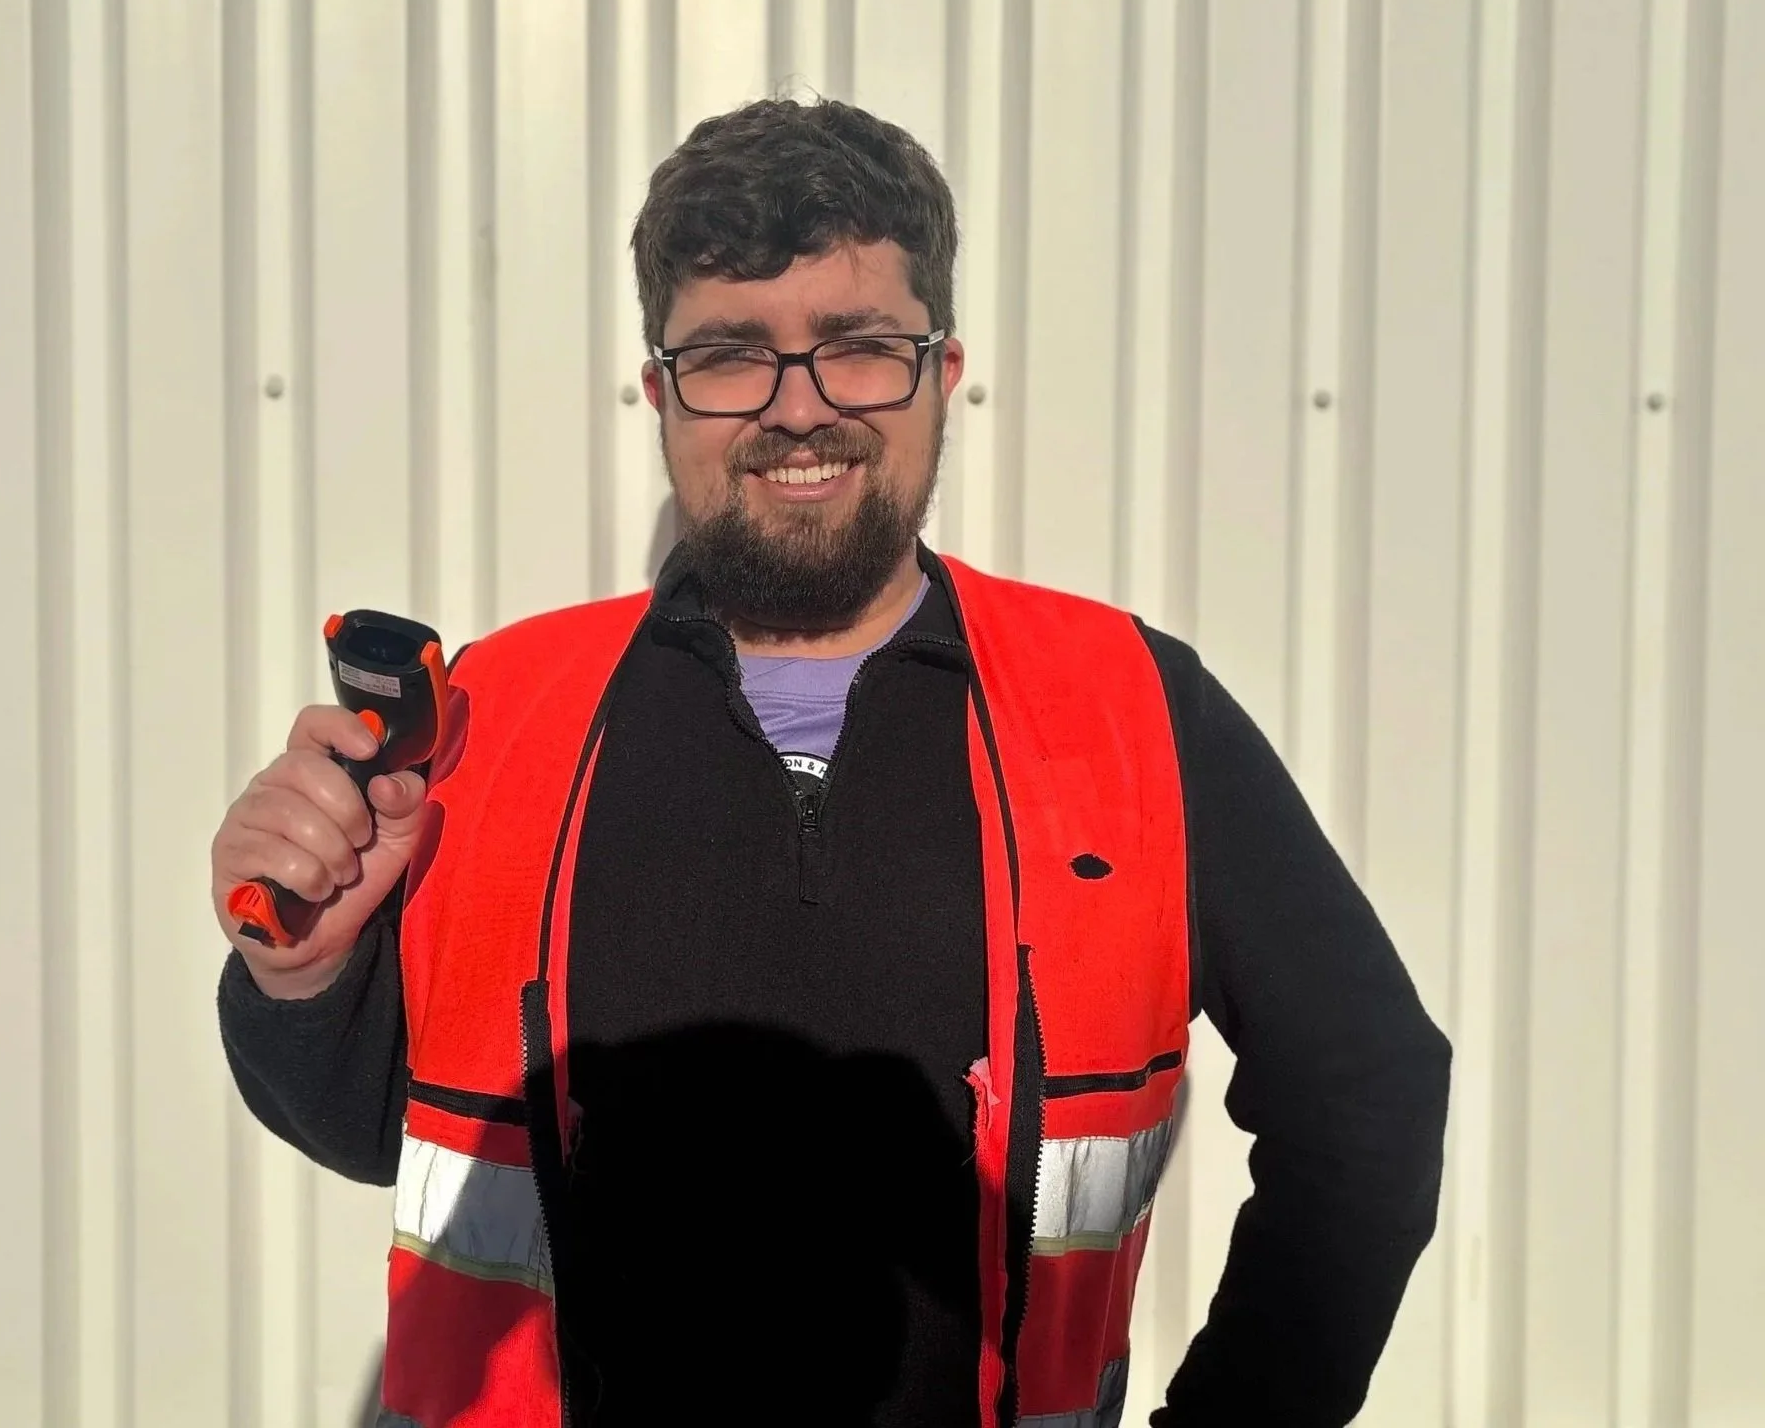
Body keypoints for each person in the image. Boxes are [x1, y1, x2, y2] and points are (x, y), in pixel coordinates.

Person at [212, 98, 1450, 1428]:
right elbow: (369, 1134)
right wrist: (304, 973)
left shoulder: (1133, 711)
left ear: (944, 367)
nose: (799, 413)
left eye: (858, 350)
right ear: (660, 391)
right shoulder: (497, 713)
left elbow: (1368, 1102)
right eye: (733, 357)